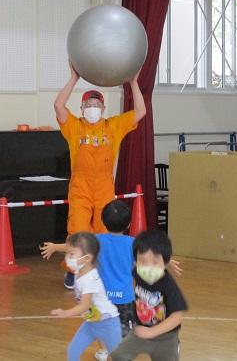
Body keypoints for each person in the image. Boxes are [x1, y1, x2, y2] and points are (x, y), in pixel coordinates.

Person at [41, 200, 183, 361]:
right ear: (129, 223)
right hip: (125, 300)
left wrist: (54, 247)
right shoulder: (132, 243)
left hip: (101, 299)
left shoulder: (97, 240)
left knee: (101, 324)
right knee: (126, 332)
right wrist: (168, 261)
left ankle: (107, 350)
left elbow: (75, 247)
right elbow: (150, 255)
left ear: (102, 221)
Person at [54, 61, 146, 288]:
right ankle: (73, 271)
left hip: (105, 186)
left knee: (105, 232)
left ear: (103, 108)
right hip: (80, 186)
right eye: (88, 104)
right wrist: (74, 79)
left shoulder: (113, 126)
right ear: (83, 107)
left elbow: (141, 111)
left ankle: (102, 271)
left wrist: (133, 82)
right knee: (78, 229)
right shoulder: (74, 126)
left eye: (97, 103)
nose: (93, 107)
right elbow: (58, 106)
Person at [110, 230, 188, 361]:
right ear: (136, 261)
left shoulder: (168, 285)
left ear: (164, 262)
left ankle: (176, 346)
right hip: (139, 332)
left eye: (155, 262)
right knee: (117, 356)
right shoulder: (137, 272)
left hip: (166, 338)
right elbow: (134, 277)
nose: (148, 267)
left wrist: (152, 332)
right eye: (143, 261)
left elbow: (177, 316)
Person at [50, 232, 121, 361]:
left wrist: (66, 313)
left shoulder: (90, 279)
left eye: (71, 254)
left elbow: (85, 305)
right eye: (67, 253)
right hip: (91, 324)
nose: (67, 257)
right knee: (72, 351)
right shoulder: (79, 272)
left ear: (87, 258)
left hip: (109, 325)